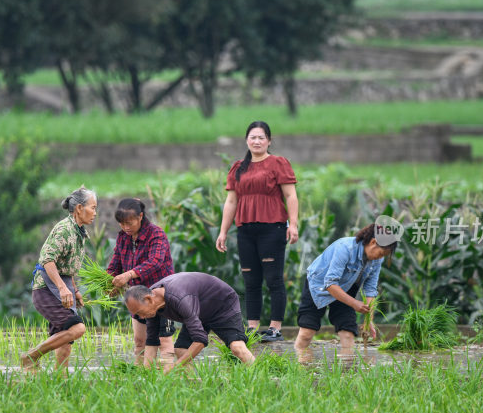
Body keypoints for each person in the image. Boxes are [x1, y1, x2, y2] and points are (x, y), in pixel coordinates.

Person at [216, 121, 299, 343]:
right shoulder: (238, 168)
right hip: (245, 230)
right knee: (250, 280)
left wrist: (294, 224)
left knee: (273, 279)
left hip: (272, 227)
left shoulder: (278, 164)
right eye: (253, 137)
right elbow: (231, 201)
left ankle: (275, 328)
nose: (257, 141)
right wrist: (223, 231)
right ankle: (252, 328)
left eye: (261, 137)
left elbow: (290, 196)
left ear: (269, 141)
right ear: (246, 140)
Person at [21, 187, 97, 372]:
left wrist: (75, 290)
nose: (95, 213)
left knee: (65, 338)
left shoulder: (79, 232)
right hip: (47, 289)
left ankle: (60, 379)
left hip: (63, 286)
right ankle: (30, 356)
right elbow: (47, 259)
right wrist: (63, 289)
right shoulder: (64, 229)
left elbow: (67, 265)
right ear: (79, 208)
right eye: (93, 208)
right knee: (77, 329)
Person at [294, 224, 398, 358]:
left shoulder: (376, 260)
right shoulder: (345, 248)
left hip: (346, 288)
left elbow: (370, 289)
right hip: (319, 284)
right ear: (373, 242)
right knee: (307, 332)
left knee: (348, 333)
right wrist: (355, 304)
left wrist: (368, 320)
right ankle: (301, 366)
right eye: (381, 253)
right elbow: (330, 284)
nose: (380, 257)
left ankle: (346, 371)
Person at [124, 272, 255, 372]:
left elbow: (200, 340)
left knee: (237, 347)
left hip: (222, 304)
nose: (141, 317)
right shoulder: (151, 304)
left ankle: (261, 377)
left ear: (149, 299)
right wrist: (147, 373)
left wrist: (175, 366)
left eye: (140, 312)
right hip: (198, 308)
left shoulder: (180, 298)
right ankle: (195, 386)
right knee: (181, 349)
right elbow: (152, 340)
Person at [107, 198, 176, 365]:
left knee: (164, 342)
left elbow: (155, 261)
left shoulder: (156, 234)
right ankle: (142, 378)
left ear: (140, 217)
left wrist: (129, 275)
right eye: (122, 224)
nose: (126, 228)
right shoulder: (123, 237)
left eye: (129, 223)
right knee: (139, 341)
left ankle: (171, 379)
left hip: (158, 296)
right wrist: (110, 280)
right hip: (136, 297)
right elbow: (116, 262)